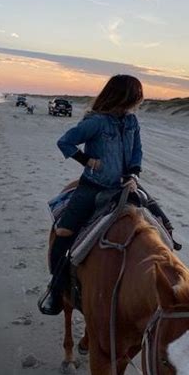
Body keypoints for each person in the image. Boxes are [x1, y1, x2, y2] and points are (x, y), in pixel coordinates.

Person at [38, 74, 144, 315]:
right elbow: (65, 142)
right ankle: (56, 290)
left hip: (125, 185)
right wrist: (87, 160)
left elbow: (137, 150)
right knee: (63, 232)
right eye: (136, 96)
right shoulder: (96, 122)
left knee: (157, 219)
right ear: (123, 95)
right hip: (93, 186)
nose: (139, 101)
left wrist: (134, 174)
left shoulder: (132, 122)